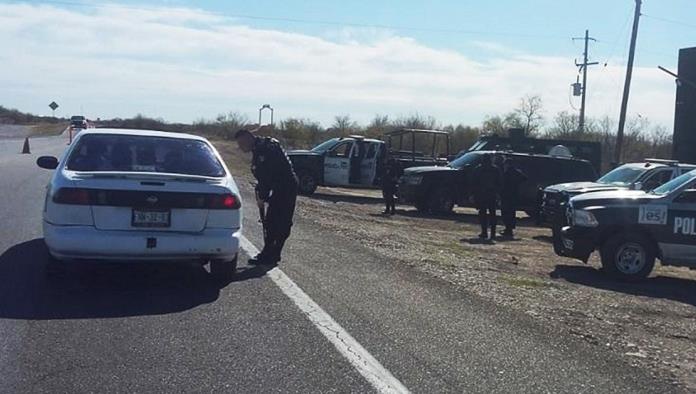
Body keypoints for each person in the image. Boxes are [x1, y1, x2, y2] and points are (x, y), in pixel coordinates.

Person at [235, 128, 299, 266]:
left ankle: (273, 253)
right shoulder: (259, 148)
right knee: (270, 221)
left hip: (285, 187)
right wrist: (261, 193)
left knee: (280, 221)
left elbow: (267, 175)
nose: (240, 147)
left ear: (248, 138)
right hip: (276, 187)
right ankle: (269, 253)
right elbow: (262, 177)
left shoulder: (266, 148)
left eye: (241, 143)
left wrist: (262, 196)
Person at [471, 154, 502, 240]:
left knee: (483, 214)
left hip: (481, 195)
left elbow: (474, 182)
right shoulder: (495, 169)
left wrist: (473, 194)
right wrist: (497, 193)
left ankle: (484, 232)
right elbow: (499, 182)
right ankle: (492, 233)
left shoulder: (478, 169)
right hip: (492, 194)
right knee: (492, 214)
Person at [500, 158, 528, 237]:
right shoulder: (516, 172)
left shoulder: (506, 173)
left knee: (506, 212)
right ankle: (509, 228)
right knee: (511, 212)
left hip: (506, 195)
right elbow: (524, 178)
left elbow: (503, 184)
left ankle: (508, 229)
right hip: (514, 195)